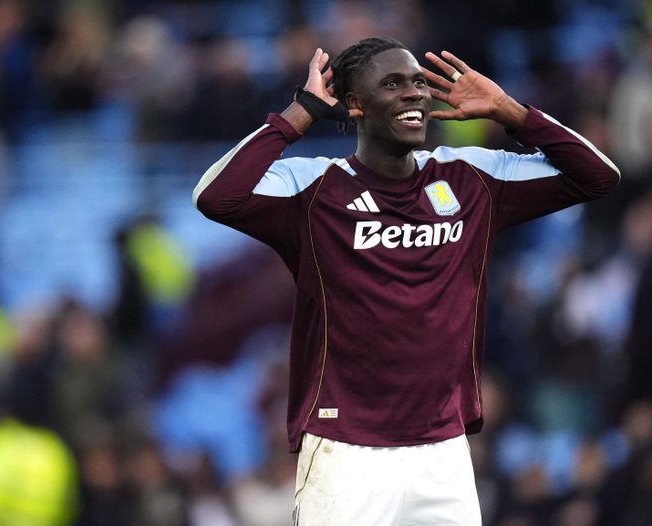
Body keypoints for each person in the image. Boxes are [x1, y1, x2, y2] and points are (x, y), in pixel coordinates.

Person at [193, 36, 620, 525]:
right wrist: (301, 114)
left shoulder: (471, 178)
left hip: (443, 450)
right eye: (393, 84)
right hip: (345, 451)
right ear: (355, 105)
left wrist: (510, 112)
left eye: (419, 82)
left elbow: (598, 177)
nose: (414, 93)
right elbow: (216, 197)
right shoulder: (311, 188)